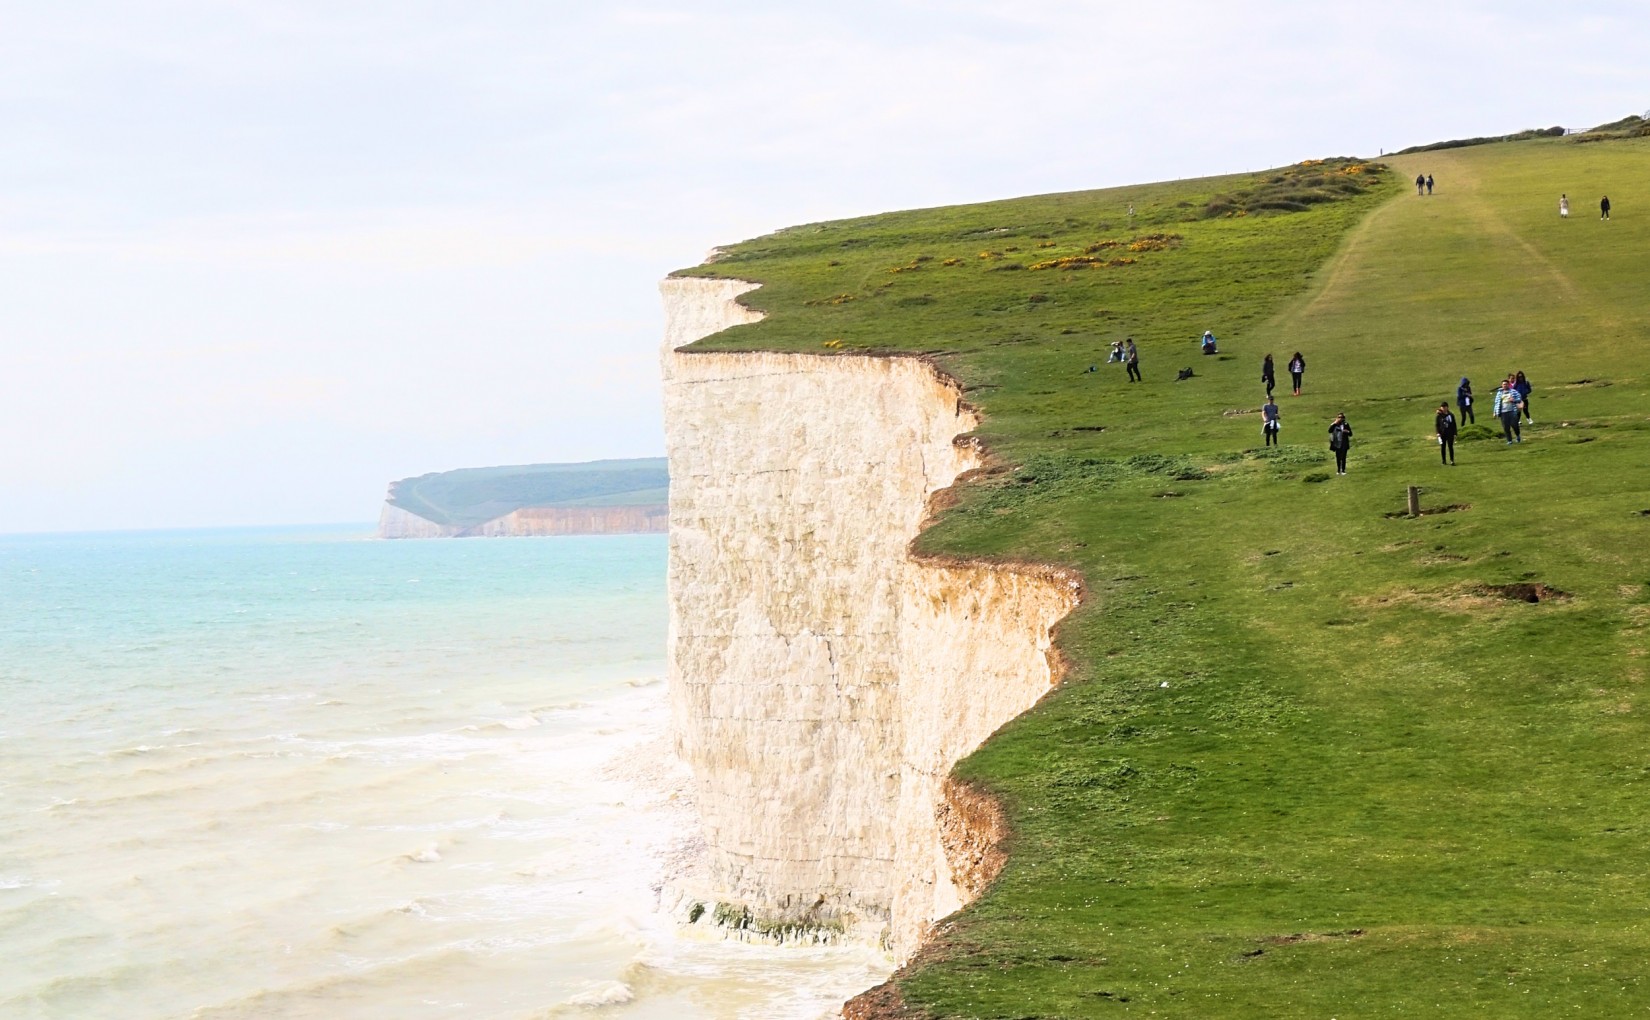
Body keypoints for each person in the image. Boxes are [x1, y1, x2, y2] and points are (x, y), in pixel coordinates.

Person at [1493, 377, 1523, 443]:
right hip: (1503, 412)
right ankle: (1509, 440)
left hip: (1512, 411)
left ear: (1508, 384)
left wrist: (1513, 400)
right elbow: (1496, 403)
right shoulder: (1499, 393)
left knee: (1515, 425)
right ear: (1502, 385)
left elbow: (1519, 399)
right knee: (1506, 427)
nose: (1505, 385)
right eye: (1503, 384)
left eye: (1506, 384)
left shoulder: (1513, 391)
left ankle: (1518, 436)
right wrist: (1494, 412)